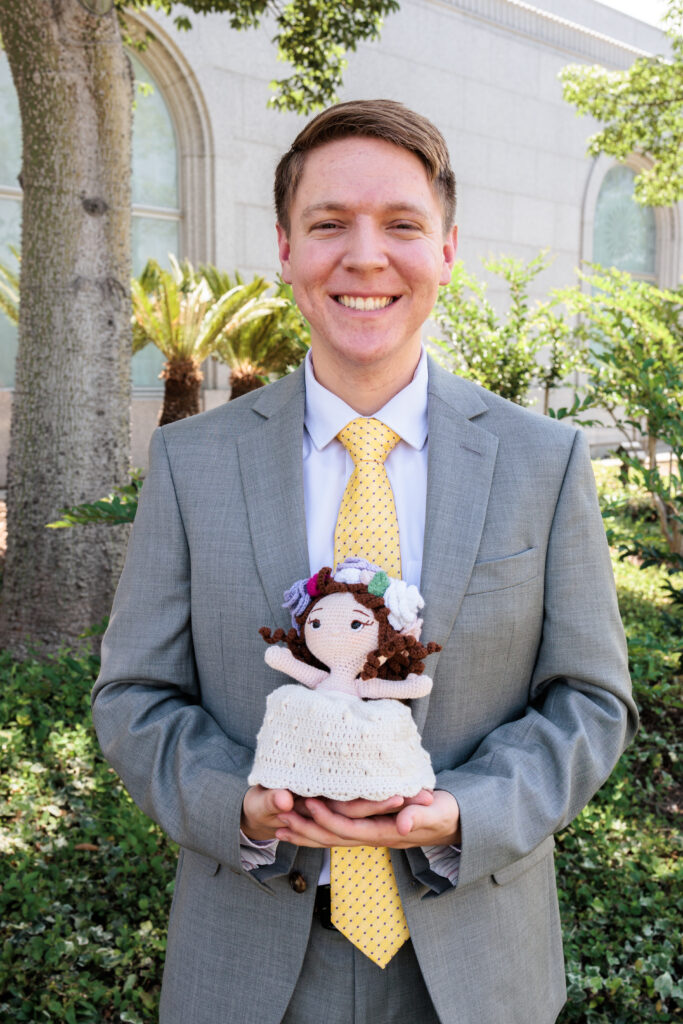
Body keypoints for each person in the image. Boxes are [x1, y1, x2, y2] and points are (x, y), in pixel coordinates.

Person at [92, 99, 637, 1024]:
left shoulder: (543, 462)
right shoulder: (191, 461)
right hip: (249, 967)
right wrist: (243, 806)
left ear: (448, 250)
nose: (364, 255)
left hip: (474, 970)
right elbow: (133, 697)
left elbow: (590, 701)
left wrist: (465, 813)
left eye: (400, 224)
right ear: (285, 247)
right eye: (328, 223)